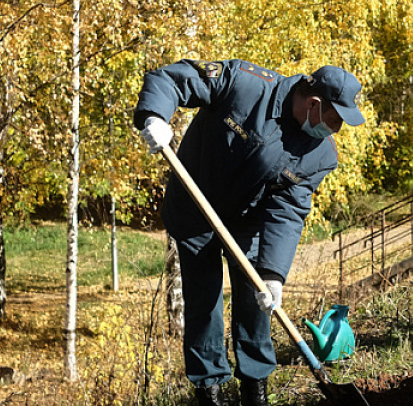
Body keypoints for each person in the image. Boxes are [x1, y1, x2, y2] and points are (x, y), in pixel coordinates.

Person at [134, 59, 364, 406]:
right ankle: (208, 390)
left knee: (255, 303)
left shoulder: (321, 155)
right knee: (203, 301)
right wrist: (155, 115)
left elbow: (288, 209)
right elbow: (169, 79)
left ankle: (254, 388)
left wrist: (273, 275)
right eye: (335, 119)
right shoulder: (244, 84)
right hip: (194, 209)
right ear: (314, 104)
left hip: (248, 220)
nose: (337, 129)